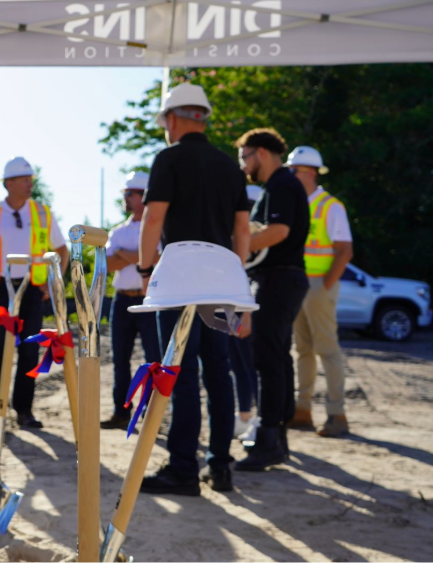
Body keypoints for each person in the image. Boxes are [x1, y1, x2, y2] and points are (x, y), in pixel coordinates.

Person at [137, 83, 252, 495]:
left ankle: (184, 469)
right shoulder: (229, 167)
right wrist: (238, 287)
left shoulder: (168, 159)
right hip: (221, 283)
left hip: (181, 282)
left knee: (181, 372)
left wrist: (146, 269)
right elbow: (243, 230)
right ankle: (220, 466)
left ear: (172, 119)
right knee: (218, 373)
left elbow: (153, 220)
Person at [0, 157, 68, 431]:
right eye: (24, 179)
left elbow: (62, 251)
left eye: (31, 179)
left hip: (31, 291)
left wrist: (51, 283)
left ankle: (24, 411)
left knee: (29, 352)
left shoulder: (42, 213)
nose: (30, 183)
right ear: (9, 183)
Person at [234, 128, 310, 472]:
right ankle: (276, 438)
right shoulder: (279, 186)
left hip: (279, 278)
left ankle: (269, 440)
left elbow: (279, 231)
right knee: (278, 358)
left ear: (261, 153)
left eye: (244, 157)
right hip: (283, 278)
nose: (243, 166)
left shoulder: (281, 184)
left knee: (268, 359)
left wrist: (240, 246)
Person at [285, 146, 354, 437]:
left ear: (310, 172)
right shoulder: (296, 203)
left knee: (327, 349)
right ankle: (302, 412)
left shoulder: (330, 206)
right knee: (303, 350)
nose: (289, 175)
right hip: (298, 283)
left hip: (317, 284)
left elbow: (345, 251)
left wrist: (324, 287)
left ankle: (336, 415)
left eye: (293, 170)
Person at [101, 171, 162, 430]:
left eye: (129, 193)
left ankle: (150, 414)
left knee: (153, 360)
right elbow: (108, 263)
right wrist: (139, 255)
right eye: (125, 194)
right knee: (120, 359)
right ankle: (121, 412)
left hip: (150, 302)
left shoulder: (159, 228)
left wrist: (126, 255)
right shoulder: (117, 231)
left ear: (142, 196)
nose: (125, 198)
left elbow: (159, 258)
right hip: (122, 302)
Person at [230, 185, 263, 438]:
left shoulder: (260, 238)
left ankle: (259, 421)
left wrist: (247, 314)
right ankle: (243, 416)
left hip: (251, 307)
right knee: (238, 364)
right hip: (234, 306)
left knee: (255, 366)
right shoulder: (235, 235)